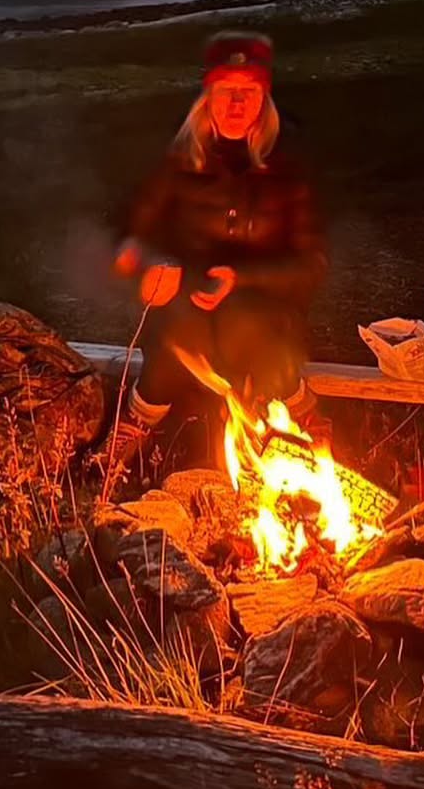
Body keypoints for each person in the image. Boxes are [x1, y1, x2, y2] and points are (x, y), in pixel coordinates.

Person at [106, 31, 327, 486]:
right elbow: (129, 238)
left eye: (249, 93)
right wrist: (145, 268)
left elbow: (310, 265)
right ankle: (134, 426)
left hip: (266, 309)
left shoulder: (289, 165)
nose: (236, 104)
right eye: (227, 91)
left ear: (265, 100)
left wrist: (240, 278)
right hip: (190, 304)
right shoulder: (178, 161)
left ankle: (301, 417)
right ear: (208, 97)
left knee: (251, 330)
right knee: (176, 335)